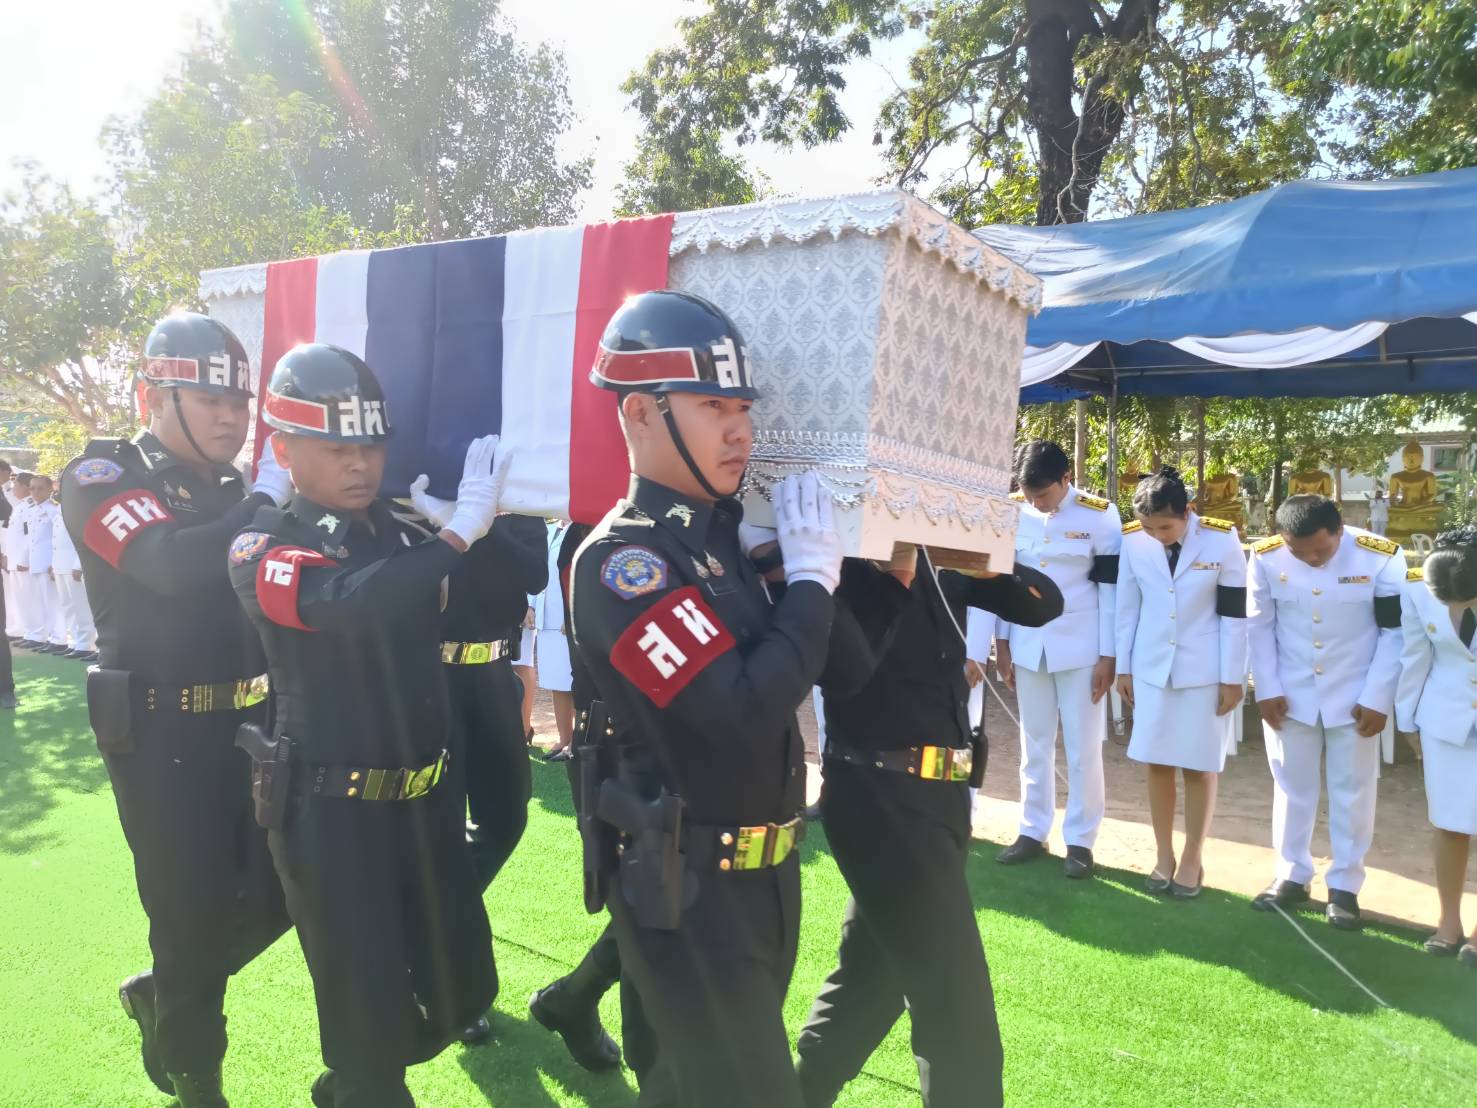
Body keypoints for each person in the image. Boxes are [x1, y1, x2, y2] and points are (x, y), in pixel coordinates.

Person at [570, 289, 843, 1106]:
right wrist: (811, 584)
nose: (738, 430)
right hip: (690, 892)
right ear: (639, 414)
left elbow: (840, 669)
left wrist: (865, 566)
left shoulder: (721, 540)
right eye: (711, 406)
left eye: (742, 408)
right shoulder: (626, 563)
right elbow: (741, 711)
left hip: (760, 882)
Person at [228, 342, 502, 1107]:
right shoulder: (263, 543)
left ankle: (351, 1081)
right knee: (368, 1023)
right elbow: (350, 603)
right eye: (336, 447)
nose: (360, 463)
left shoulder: (403, 532)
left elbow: (502, 596)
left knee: (462, 990)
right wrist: (454, 538)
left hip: (424, 807)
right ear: (285, 450)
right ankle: (365, 1078)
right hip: (331, 817)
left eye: (371, 446)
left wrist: (477, 534)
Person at [59, 311, 293, 1106]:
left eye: (240, 402)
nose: (232, 418)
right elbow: (168, 565)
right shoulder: (102, 475)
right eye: (211, 400)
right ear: (151, 397)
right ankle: (198, 1078)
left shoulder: (235, 488)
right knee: (189, 913)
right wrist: (265, 504)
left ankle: (164, 990)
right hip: (162, 732)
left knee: (287, 886)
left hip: (252, 722)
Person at [794, 542, 1062, 1108]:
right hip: (879, 796)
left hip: (941, 799)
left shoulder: (945, 563)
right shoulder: (842, 560)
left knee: (870, 984)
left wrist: (980, 555)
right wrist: (890, 573)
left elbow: (1043, 604)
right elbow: (842, 670)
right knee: (958, 1011)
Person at [408, 474, 549, 1040]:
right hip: (430, 678)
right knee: (440, 829)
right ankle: (444, 975)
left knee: (507, 817)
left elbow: (534, 574)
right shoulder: (413, 494)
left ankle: (424, 932)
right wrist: (447, 524)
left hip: (492, 673)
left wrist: (472, 523)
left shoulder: (519, 499)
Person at [1246, 494, 1405, 929]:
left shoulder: (1380, 557)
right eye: (1300, 552)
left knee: (1352, 790)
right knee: (1290, 786)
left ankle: (1345, 886)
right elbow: (1258, 625)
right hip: (1290, 693)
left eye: (1321, 550)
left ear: (1339, 530)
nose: (1312, 560)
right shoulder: (1266, 557)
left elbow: (1394, 633)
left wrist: (1378, 697)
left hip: (1355, 695)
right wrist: (1266, 687)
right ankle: (1291, 875)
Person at [1114, 468, 1248, 898]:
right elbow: (1126, 608)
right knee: (1156, 763)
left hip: (1204, 671)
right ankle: (1163, 854)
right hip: (1152, 668)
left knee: (1198, 766)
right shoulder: (1133, 542)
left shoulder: (1222, 540)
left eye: (1165, 527)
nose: (1157, 536)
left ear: (1187, 511)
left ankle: (1192, 856)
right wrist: (1123, 668)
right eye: (1149, 528)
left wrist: (1232, 678)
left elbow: (1234, 614)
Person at [994, 441, 1119, 878]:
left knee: (1083, 748)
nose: (1036, 503)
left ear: (1067, 479)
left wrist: (1109, 655)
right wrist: (1002, 643)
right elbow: (1005, 583)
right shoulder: (1014, 511)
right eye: (1029, 494)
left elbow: (1110, 591)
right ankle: (1032, 829)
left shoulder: (1100, 515)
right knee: (1034, 744)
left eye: (1043, 494)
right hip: (1029, 644)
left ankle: (1081, 840)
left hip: (1082, 648)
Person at [528, 519, 626, 1075]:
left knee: (667, 903)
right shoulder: (598, 539)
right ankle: (577, 996)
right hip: (619, 745)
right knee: (652, 900)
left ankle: (575, 995)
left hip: (642, 741)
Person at [1395, 529, 1477, 965]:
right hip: (1444, 721)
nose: (1453, 610)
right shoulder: (1416, 587)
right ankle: (1449, 921)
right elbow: (1415, 655)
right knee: (1449, 823)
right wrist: (1407, 720)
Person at [535, 519, 577, 760]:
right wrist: (531, 606)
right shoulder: (549, 529)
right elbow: (538, 572)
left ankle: (577, 741)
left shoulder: (581, 529)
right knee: (556, 682)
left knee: (575, 682)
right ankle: (563, 738)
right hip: (547, 617)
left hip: (567, 619)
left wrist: (572, 613)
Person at [50, 482, 97, 660]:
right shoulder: (60, 508)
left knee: (82, 607)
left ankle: (87, 644)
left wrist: (78, 564)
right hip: (60, 564)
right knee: (69, 607)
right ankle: (76, 642)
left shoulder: (80, 507)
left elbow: (83, 537)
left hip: (73, 565)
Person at [21, 474, 62, 653]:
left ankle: (59, 639)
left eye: (40, 488)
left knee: (53, 603)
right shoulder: (31, 510)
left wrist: (54, 562)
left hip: (48, 562)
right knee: (41, 603)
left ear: (50, 489)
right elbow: (30, 539)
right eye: (32, 488)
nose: (35, 492)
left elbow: (57, 538)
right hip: (36, 562)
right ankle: (46, 636)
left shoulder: (54, 510)